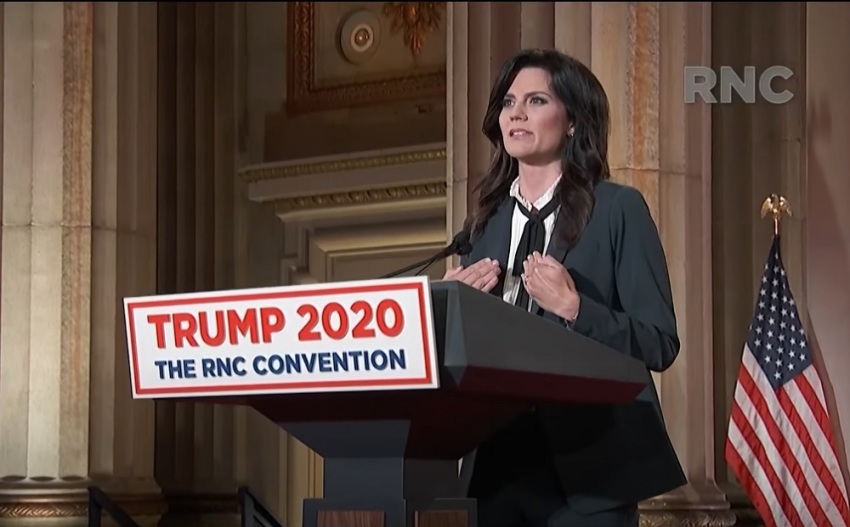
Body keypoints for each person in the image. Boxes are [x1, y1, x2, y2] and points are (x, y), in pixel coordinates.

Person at [444, 48, 687, 527]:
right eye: (509, 102)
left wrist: (576, 308)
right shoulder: (483, 225)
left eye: (536, 101)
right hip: (494, 471)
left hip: (588, 476)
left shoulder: (617, 210)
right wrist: (450, 311)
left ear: (572, 120)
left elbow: (659, 342)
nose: (516, 113)